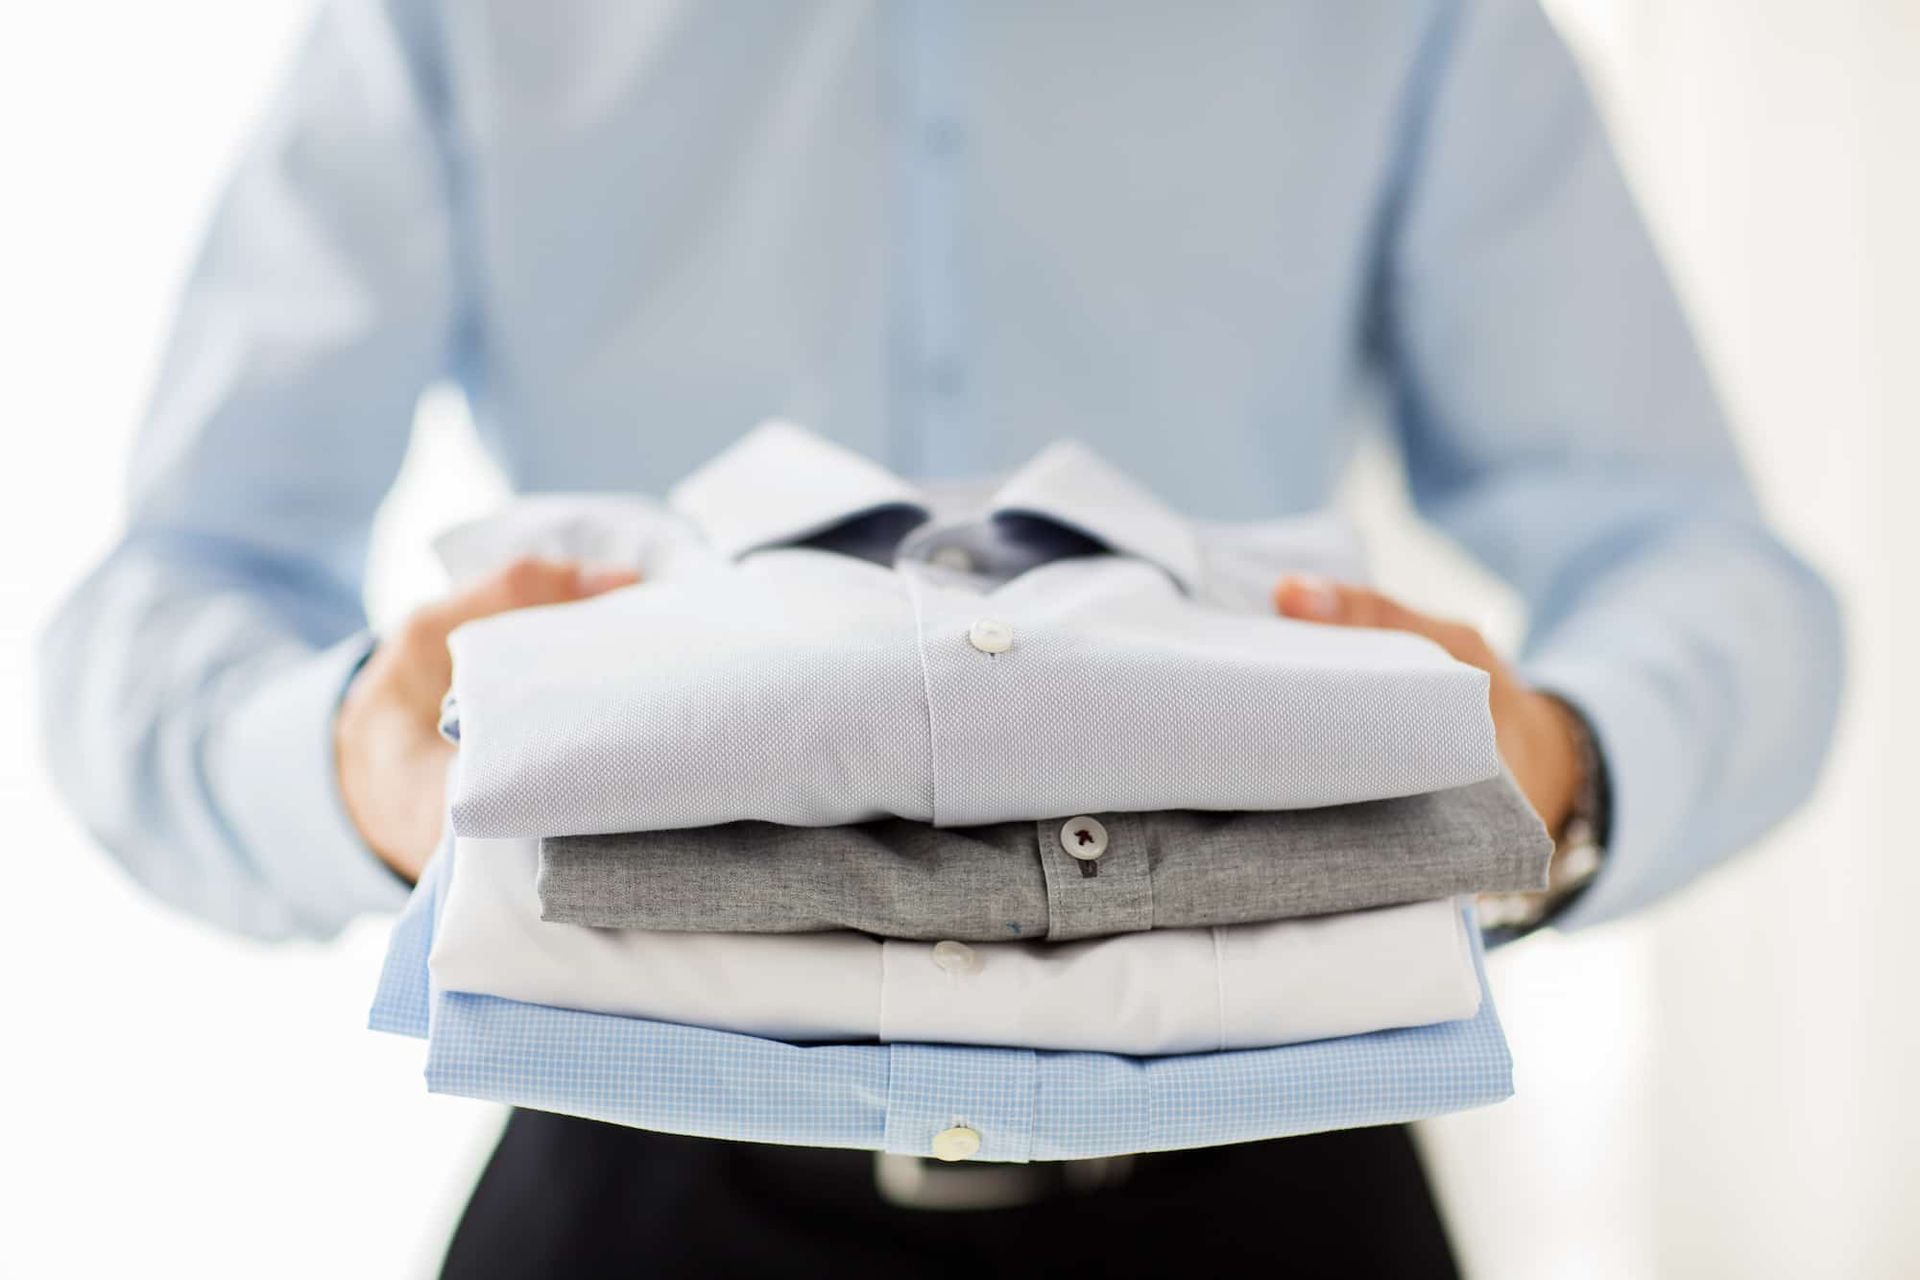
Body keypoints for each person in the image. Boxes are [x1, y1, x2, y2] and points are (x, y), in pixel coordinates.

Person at [39, 1, 1841, 1275]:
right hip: (635, 1192)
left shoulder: (1407, 17)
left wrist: (1558, 774)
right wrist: (357, 759)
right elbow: (164, 592)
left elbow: (1707, 567)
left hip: (1276, 1189)